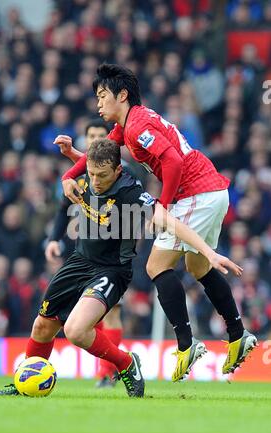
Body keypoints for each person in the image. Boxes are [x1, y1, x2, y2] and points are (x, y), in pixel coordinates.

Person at [0, 139, 242, 396]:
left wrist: (209, 253)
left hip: (111, 270)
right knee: (42, 327)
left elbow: (168, 220)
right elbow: (81, 169)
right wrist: (69, 157)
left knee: (76, 330)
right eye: (91, 174)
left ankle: (126, 363)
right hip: (79, 261)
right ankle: (24, 384)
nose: (96, 181)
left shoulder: (130, 192)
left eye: (102, 176)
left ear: (117, 171)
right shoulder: (87, 171)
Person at [57, 63, 257, 382]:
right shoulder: (129, 124)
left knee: (156, 266)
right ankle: (237, 334)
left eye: (102, 95)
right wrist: (70, 169)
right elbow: (100, 157)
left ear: (121, 95)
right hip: (210, 191)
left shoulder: (136, 126)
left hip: (196, 193)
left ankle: (186, 345)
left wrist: (162, 207)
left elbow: (174, 161)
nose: (97, 103)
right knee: (197, 267)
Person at [48, 119, 124, 388]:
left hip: (115, 256)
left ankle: (107, 373)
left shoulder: (120, 172)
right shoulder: (81, 174)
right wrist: (54, 239)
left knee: (111, 312)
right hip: (84, 251)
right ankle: (110, 368)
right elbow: (61, 209)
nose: (94, 140)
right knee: (89, 312)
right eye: (90, 136)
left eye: (100, 136)